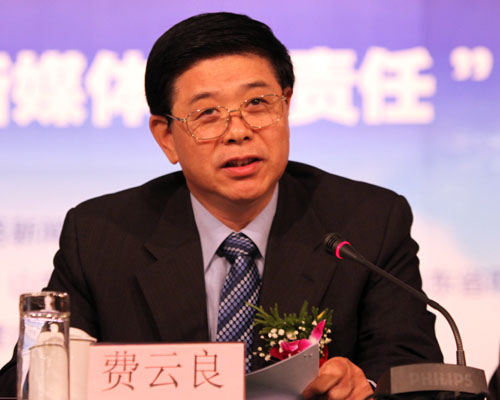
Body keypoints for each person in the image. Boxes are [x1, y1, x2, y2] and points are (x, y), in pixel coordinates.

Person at [0, 12, 443, 399]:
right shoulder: (101, 236)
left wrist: (366, 387)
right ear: (166, 137)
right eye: (208, 113)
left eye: (257, 103)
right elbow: (30, 380)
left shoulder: (368, 221)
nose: (238, 131)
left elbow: (413, 371)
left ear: (286, 106)